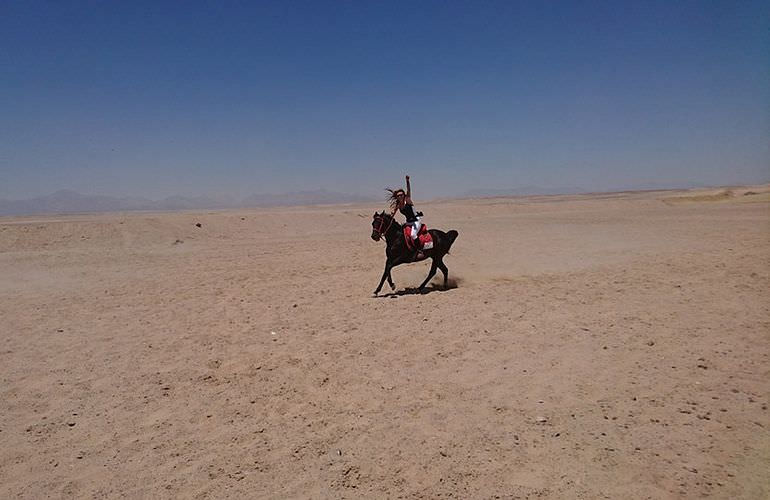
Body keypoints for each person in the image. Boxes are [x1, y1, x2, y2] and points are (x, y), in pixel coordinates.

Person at [388, 175, 423, 253]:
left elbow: (408, 190)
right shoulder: (398, 205)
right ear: (396, 197)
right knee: (402, 235)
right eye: (398, 196)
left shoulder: (407, 200)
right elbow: (393, 213)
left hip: (416, 221)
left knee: (413, 235)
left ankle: (419, 250)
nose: (400, 196)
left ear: (404, 195)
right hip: (408, 222)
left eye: (401, 195)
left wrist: (407, 181)